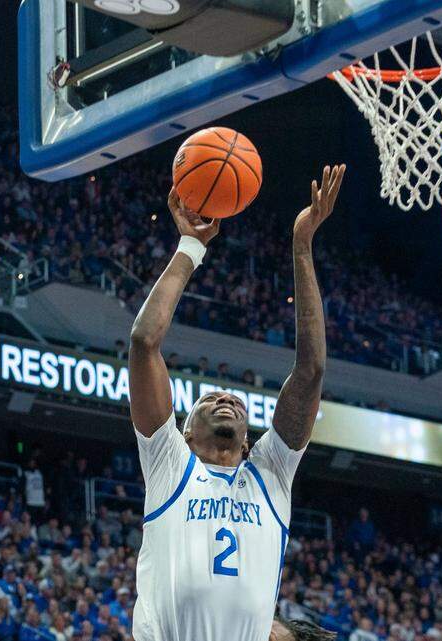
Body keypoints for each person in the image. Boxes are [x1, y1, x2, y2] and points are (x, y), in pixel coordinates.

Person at [127, 165, 345, 641]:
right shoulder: (168, 462)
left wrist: (302, 245)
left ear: (250, 442)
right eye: (208, 398)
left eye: (233, 400)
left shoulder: (270, 474)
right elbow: (144, 341)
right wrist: (191, 246)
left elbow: (310, 371)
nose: (225, 397)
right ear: (183, 433)